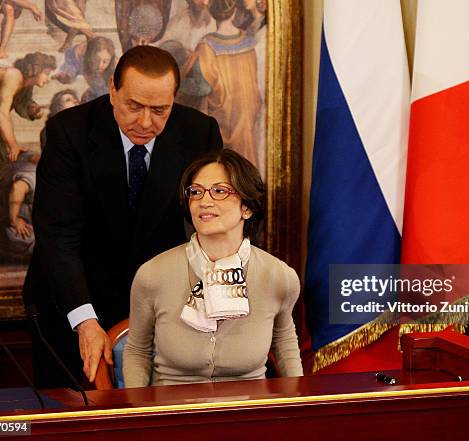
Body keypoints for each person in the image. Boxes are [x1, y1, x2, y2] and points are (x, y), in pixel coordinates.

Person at [23, 45, 223, 388]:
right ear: (112, 90)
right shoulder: (69, 132)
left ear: (174, 99)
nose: (146, 122)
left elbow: (218, 223)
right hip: (72, 303)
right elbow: (58, 235)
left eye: (160, 109)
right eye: (134, 106)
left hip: (160, 307)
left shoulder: (198, 132)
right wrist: (85, 320)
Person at [123, 149, 302, 386]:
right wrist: (140, 412)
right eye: (195, 192)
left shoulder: (280, 277)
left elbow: (284, 341)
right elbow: (137, 350)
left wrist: (299, 402)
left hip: (249, 411)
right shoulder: (152, 274)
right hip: (172, 411)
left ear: (247, 208)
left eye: (220, 191)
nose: (204, 201)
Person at [188, 0, 261, 169]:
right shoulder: (249, 42)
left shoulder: (207, 45)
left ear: (213, 14)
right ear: (234, 12)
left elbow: (202, 87)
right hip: (246, 114)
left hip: (223, 116)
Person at [0, 52, 56, 181]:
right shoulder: (13, 75)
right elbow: (2, 112)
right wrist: (13, 144)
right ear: (35, 69)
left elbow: (22, 102)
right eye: (46, 73)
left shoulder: (26, 83)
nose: (48, 78)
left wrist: (32, 110)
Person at [53, 36, 116, 102]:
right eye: (96, 60)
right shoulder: (82, 62)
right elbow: (71, 66)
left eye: (105, 61)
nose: (100, 65)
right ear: (90, 57)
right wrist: (66, 75)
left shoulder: (115, 70)